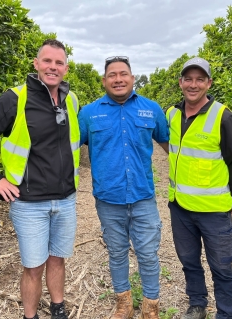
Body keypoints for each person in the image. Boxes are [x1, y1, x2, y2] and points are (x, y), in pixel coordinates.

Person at [0, 39, 80, 319]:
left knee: (58, 259)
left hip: (66, 200)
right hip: (29, 204)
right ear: (36, 64)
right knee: (33, 266)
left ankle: (58, 308)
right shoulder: (15, 99)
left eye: (58, 63)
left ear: (66, 68)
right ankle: (29, 316)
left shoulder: (72, 100)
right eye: (47, 61)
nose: (52, 67)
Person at [78, 56, 169, 319]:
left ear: (132, 77)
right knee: (117, 254)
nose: (118, 79)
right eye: (112, 75)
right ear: (104, 80)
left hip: (143, 196)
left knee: (148, 254)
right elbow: (70, 149)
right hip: (108, 199)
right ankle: (124, 304)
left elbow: (168, 146)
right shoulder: (89, 113)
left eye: (123, 74)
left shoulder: (151, 109)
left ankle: (151, 306)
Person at [166, 57, 232, 319]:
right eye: (188, 79)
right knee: (190, 262)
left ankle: (226, 312)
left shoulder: (223, 116)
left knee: (222, 267)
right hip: (180, 207)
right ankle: (197, 304)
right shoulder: (171, 114)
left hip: (214, 210)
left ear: (209, 83)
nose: (193, 85)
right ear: (181, 82)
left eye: (200, 79)